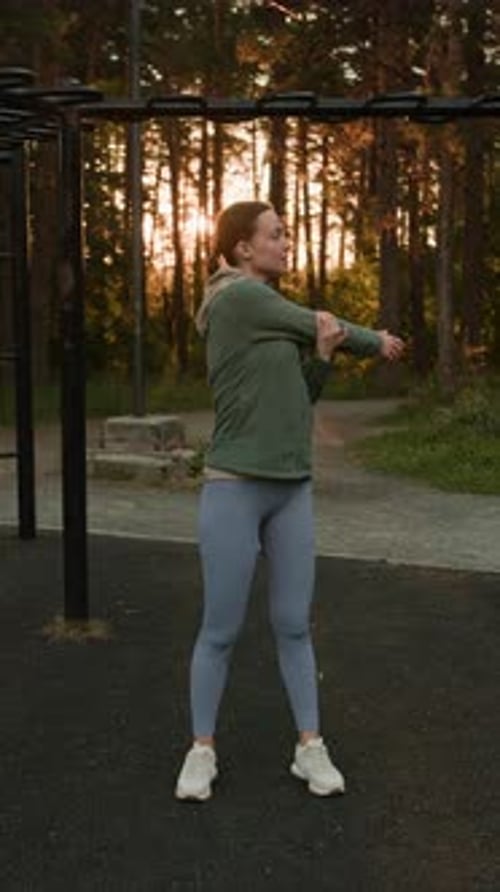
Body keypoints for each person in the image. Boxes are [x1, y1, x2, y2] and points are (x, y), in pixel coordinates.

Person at [175, 201, 404, 801]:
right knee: (220, 630)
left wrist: (324, 357)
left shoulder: (267, 317)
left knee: (293, 626)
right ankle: (201, 751)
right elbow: (318, 321)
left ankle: (310, 747)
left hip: (291, 488)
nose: (286, 242)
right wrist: (372, 340)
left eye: (285, 233)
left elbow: (300, 398)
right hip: (234, 487)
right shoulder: (238, 299)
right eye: (275, 235)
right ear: (243, 249)